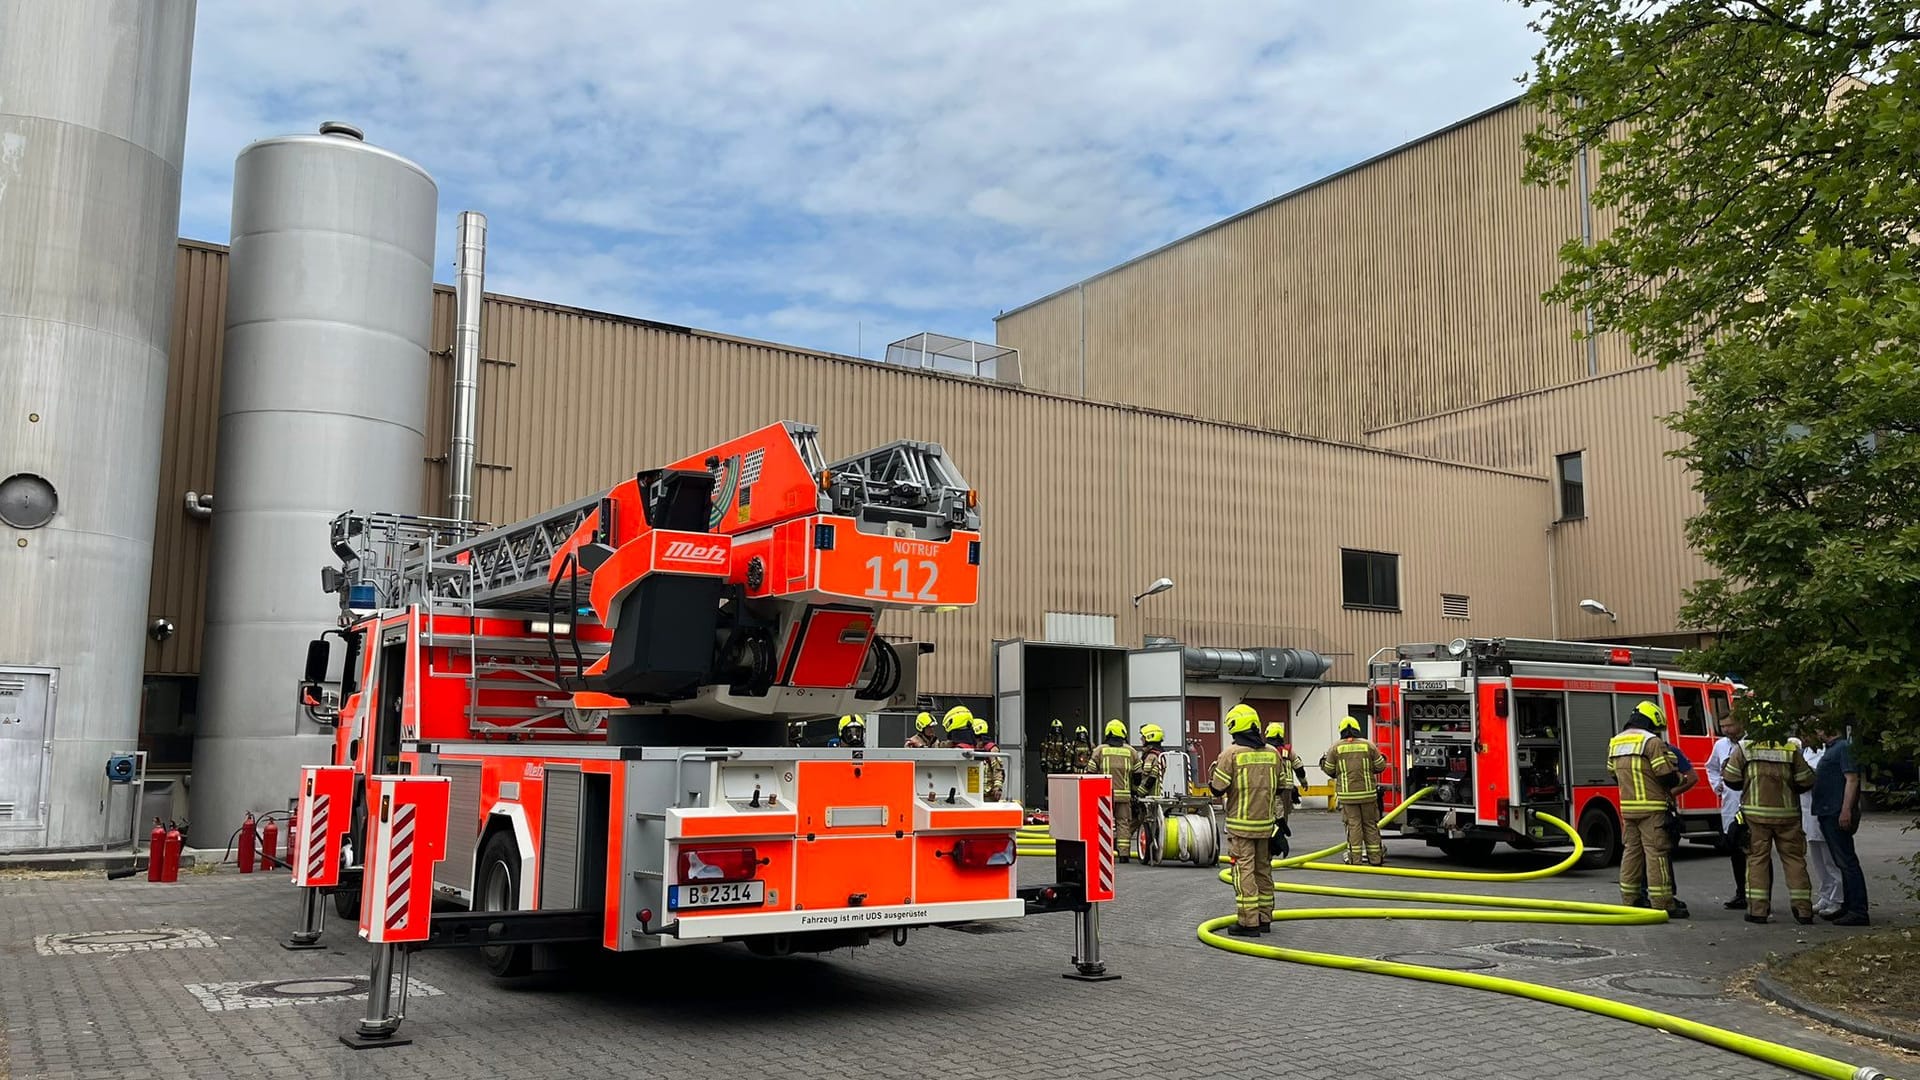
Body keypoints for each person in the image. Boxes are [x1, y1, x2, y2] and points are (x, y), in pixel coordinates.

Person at [1722, 722, 1817, 925]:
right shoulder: (1790, 748)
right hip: (1788, 816)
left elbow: (1730, 779)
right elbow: (1806, 780)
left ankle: (1758, 911)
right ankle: (1803, 911)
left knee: (1757, 861)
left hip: (1755, 817)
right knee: (1795, 861)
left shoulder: (1745, 748)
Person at [1608, 701, 1687, 917]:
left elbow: (1612, 773)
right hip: (1652, 808)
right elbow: (1665, 774)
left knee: (1631, 853)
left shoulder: (1616, 741)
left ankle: (1631, 899)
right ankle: (1662, 903)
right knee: (1656, 854)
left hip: (1628, 807)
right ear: (1651, 722)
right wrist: (1680, 777)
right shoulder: (1651, 742)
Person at [1209, 703, 1280, 936]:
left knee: (1244, 872)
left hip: (1240, 826)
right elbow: (1280, 787)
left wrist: (1212, 776)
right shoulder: (1272, 753)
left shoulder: (1230, 754)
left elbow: (1218, 789)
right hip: (1266, 826)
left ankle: (1248, 923)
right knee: (1263, 870)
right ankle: (1264, 918)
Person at [1810, 723, 1870, 925]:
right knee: (1841, 862)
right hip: (1828, 811)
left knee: (1847, 862)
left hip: (1836, 812)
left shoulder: (1843, 747)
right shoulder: (1833, 749)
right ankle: (1848, 905)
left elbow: (1851, 779)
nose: (1817, 732)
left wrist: (1846, 810)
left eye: (1819, 728)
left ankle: (1858, 910)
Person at [1320, 716, 1388, 866]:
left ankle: (1355, 859)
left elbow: (1329, 770)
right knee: (1370, 824)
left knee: (1353, 825)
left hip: (1348, 796)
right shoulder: (1369, 745)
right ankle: (1376, 858)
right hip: (1368, 794)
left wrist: (1323, 763)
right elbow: (1380, 766)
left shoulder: (1335, 748)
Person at [1705, 703, 1750, 910]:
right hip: (1731, 804)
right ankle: (1741, 892)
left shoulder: (1751, 743)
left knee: (1756, 852)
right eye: (1722, 726)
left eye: (1730, 725)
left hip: (1750, 802)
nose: (1726, 730)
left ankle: (1759, 894)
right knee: (1735, 851)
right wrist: (1717, 785)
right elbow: (1711, 767)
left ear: (1740, 723)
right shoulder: (1721, 745)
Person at [1800, 733, 1843, 917]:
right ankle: (1826, 895)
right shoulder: (1806, 751)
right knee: (1817, 858)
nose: (1805, 737)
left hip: (1823, 808)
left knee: (1830, 859)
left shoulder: (1828, 752)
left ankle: (1838, 898)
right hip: (1807, 810)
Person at [1095, 719, 1141, 862]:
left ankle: (1102, 853)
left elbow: (1089, 772)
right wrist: (1134, 792)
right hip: (1124, 796)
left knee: (1103, 823)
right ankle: (1124, 855)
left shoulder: (1099, 750)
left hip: (1104, 796)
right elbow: (1138, 776)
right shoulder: (1131, 751)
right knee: (1123, 824)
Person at [1264, 721, 1308, 858]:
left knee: (1272, 814)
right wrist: (1303, 782)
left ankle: (1272, 840)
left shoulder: (1265, 750)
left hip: (1271, 787)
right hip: (1287, 788)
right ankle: (1280, 837)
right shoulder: (1287, 751)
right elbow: (1299, 767)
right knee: (1283, 816)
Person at [970, 716, 1006, 802]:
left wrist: (997, 787)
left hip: (988, 795)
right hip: (971, 793)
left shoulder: (991, 749)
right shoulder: (970, 748)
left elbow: (998, 770)